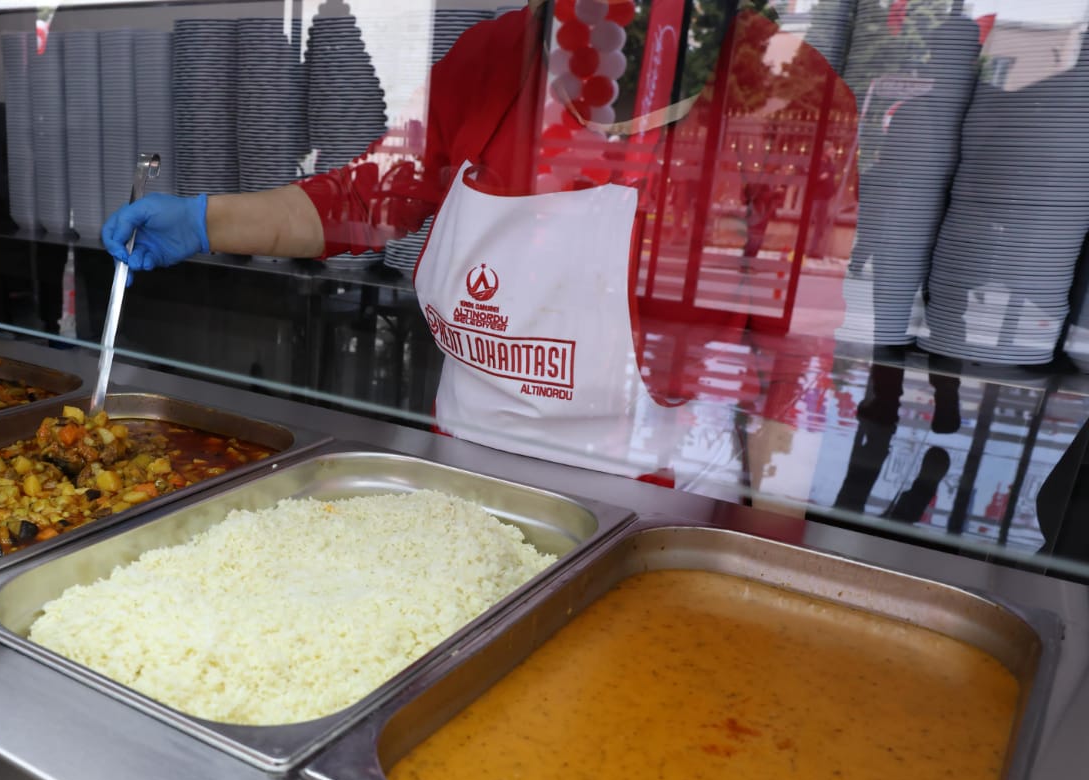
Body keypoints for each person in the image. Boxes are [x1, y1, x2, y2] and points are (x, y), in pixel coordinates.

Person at [104, 0, 860, 476]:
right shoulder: (496, 53)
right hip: (464, 476)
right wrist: (206, 220)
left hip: (650, 501)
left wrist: (771, 565)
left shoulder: (789, 96)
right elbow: (373, 196)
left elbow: (795, 366)